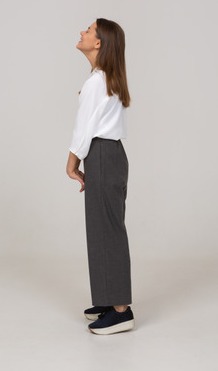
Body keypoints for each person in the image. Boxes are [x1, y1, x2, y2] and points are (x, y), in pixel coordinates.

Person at [66, 18, 134, 335]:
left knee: (108, 230)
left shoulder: (97, 82)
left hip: (103, 155)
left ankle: (121, 310)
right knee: (101, 229)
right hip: (107, 155)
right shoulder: (101, 78)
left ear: (98, 43)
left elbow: (84, 129)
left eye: (89, 30)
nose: (82, 31)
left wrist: (71, 163)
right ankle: (109, 299)